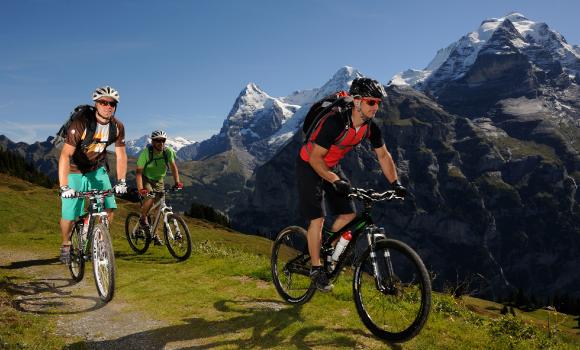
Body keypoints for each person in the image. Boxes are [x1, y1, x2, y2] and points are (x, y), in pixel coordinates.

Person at [296, 77, 407, 292]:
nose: (376, 107)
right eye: (371, 102)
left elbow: (383, 156)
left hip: (331, 165)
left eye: (378, 103)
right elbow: (315, 159)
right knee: (317, 218)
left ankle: (328, 249)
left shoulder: (370, 128)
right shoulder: (335, 121)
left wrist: (396, 183)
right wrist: (335, 180)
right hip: (309, 164)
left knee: (348, 215)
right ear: (357, 101)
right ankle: (316, 269)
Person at [58, 86, 128, 264]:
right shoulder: (81, 123)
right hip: (74, 170)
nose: (108, 106)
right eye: (104, 102)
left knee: (109, 206)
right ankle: (66, 244)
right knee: (69, 213)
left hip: (97, 169)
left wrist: (121, 181)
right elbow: (65, 155)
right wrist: (64, 186)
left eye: (112, 103)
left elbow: (121, 155)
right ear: (96, 104)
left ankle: (99, 241)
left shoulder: (117, 127)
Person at [135, 130, 183, 245]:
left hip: (159, 180)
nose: (160, 143)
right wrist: (141, 189)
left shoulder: (168, 152)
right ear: (152, 141)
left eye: (163, 140)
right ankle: (142, 218)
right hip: (146, 178)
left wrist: (177, 182)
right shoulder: (146, 153)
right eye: (157, 140)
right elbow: (138, 173)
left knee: (158, 210)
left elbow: (173, 167)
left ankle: (155, 235)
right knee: (150, 197)